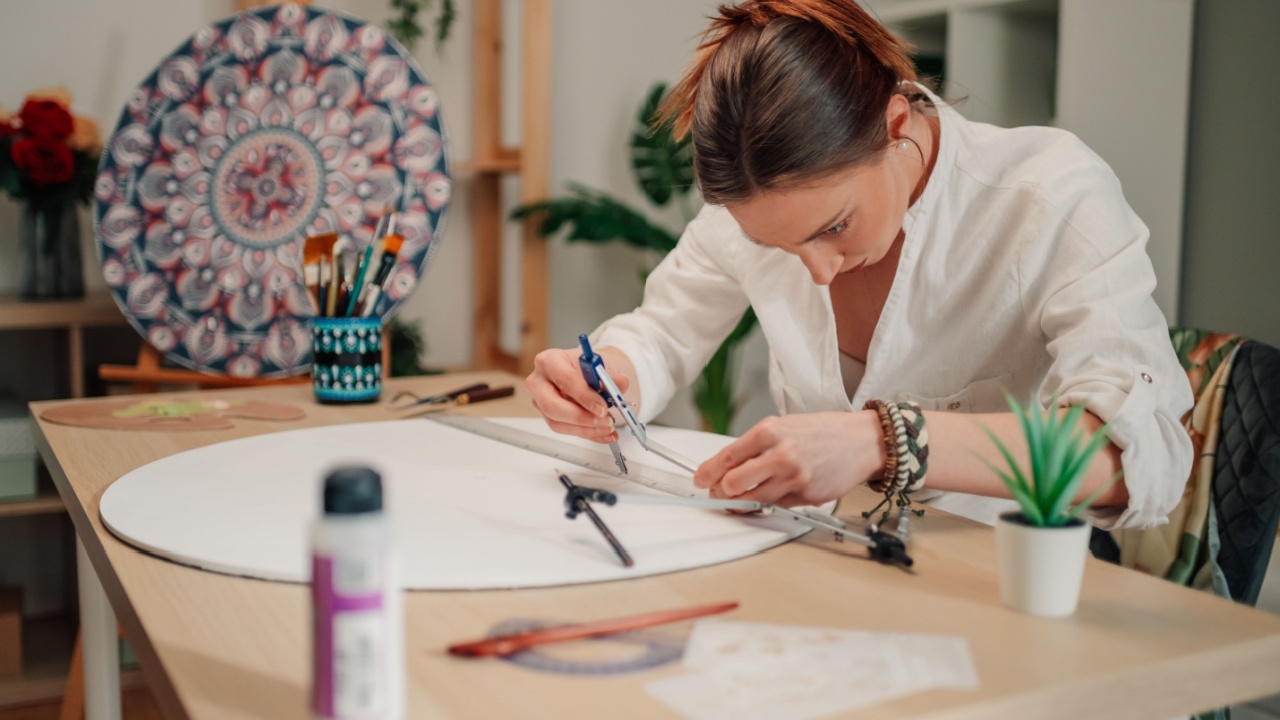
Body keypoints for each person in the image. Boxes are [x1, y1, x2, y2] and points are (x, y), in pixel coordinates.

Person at [524, 0, 1193, 530]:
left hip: (998, 590)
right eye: (778, 247)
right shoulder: (753, 215)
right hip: (823, 567)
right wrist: (613, 377)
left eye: (835, 226)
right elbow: (663, 333)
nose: (818, 271)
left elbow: (1139, 457)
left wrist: (883, 441)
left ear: (895, 124)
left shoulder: (1049, 197)